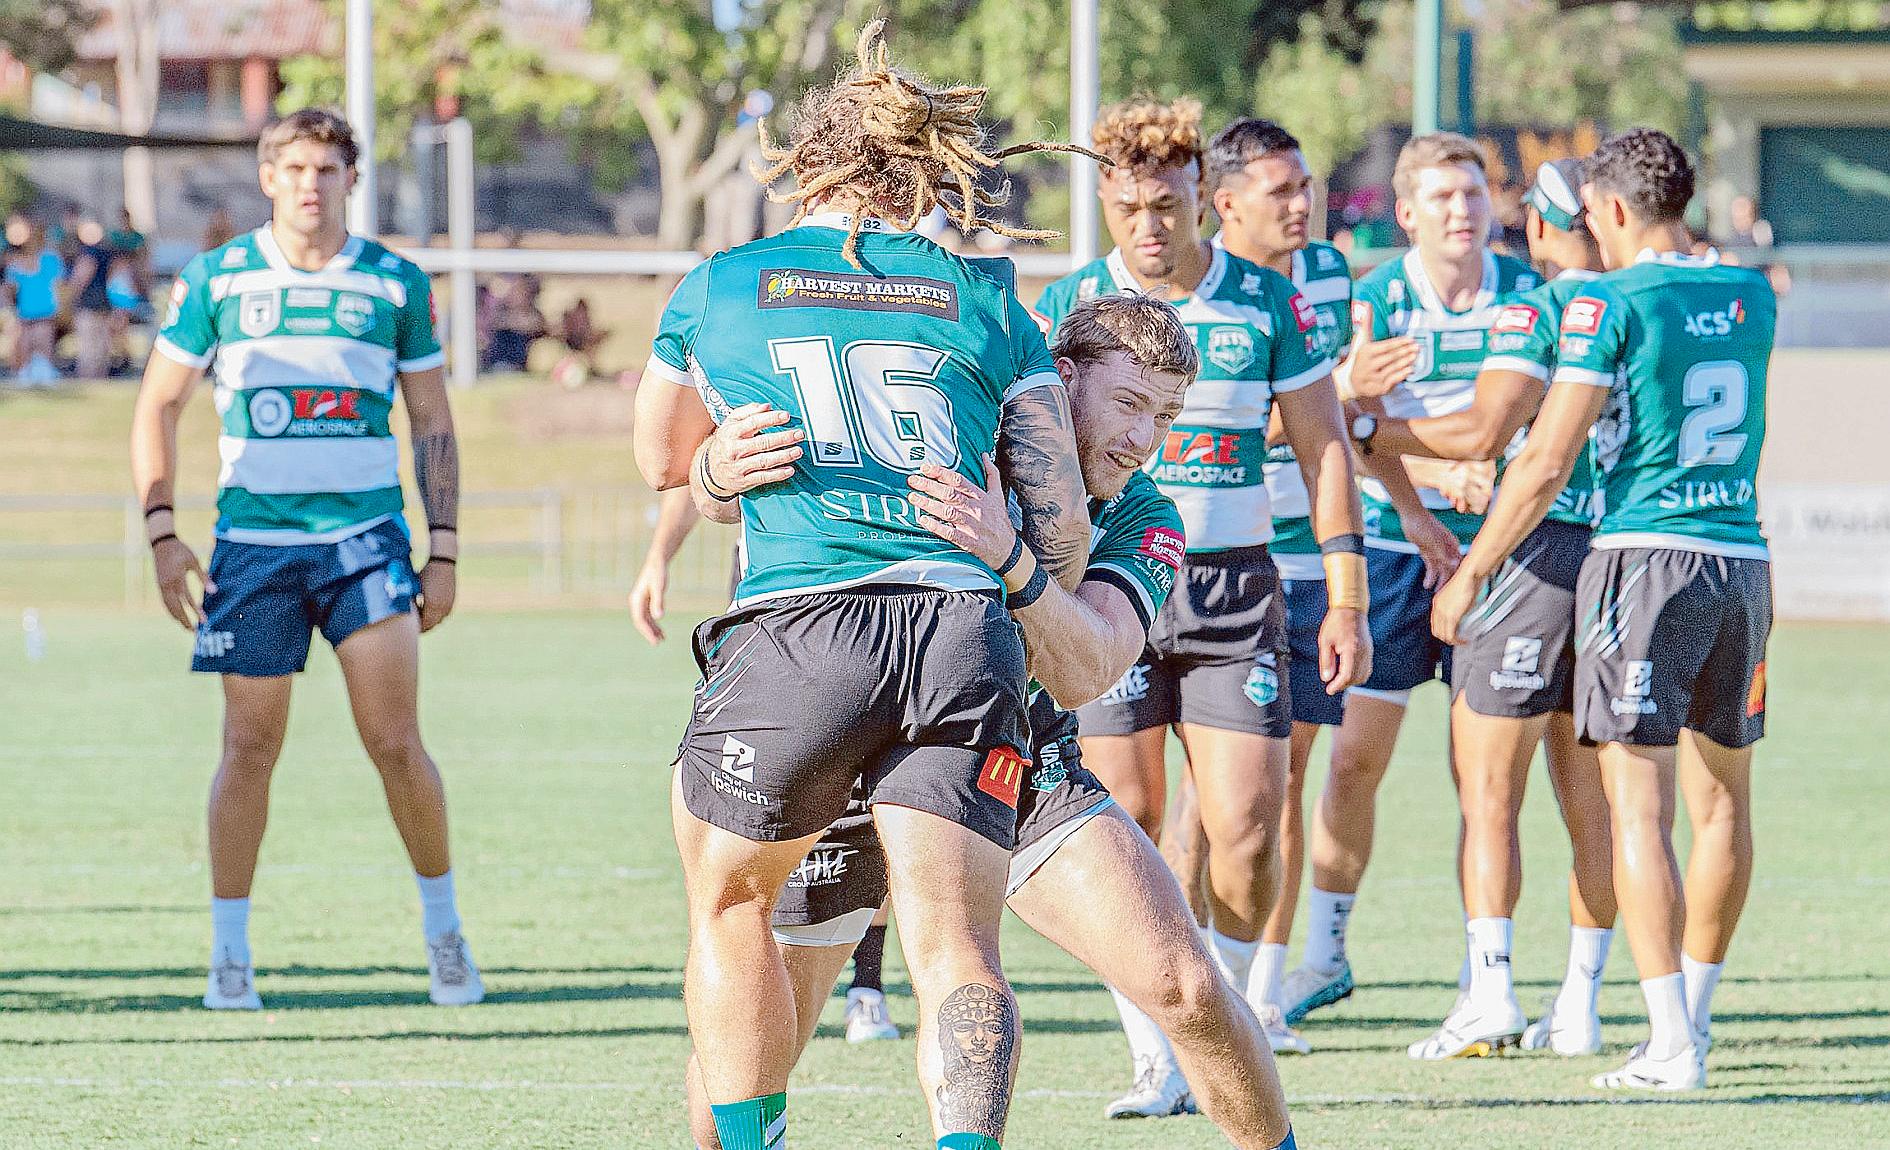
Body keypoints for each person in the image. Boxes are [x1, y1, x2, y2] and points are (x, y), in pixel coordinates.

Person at [684, 293, 1302, 1150]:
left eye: (1164, 417)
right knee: (749, 1051)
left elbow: (1086, 668)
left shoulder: (1144, 514)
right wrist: (713, 471)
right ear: (1062, 378)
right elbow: (749, 479)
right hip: (846, 759)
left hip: (1020, 765)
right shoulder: (950, 440)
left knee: (1188, 988)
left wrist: (1009, 558)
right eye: (1128, 404)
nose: (1142, 438)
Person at [632, 23, 1096, 1149]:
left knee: (733, 901)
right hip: (963, 628)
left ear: (810, 163)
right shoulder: (985, 296)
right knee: (955, 942)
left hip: (804, 628)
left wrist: (712, 471)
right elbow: (1065, 517)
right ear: (924, 172)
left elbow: (661, 459)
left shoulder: (721, 284)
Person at [1034, 97, 1371, 1105]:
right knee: (1126, 815)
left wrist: (1348, 595)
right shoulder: (1070, 304)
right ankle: (1157, 1048)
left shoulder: (1267, 300)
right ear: (1105, 201)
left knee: (1249, 825)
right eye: (1128, 207)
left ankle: (1231, 1006)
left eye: (1167, 206)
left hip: (1233, 588)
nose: (1148, 227)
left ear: (1203, 199)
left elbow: (1325, 450)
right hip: (1108, 585)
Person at [1432, 127, 1774, 1092]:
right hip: (1744, 561)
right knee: (1724, 805)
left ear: (1615, 210)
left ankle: (1669, 1044)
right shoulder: (1751, 292)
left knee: (1639, 809)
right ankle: (1690, 1018)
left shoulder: (1606, 302)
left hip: (1644, 560)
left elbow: (1544, 460)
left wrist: (1471, 573)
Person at [129, 108, 480, 1012]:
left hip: (365, 543)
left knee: (395, 742)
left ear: (352, 179)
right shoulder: (217, 278)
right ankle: (230, 953)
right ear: (267, 178)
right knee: (248, 748)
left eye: (327, 168)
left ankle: (445, 932)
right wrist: (163, 532)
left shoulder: (395, 282)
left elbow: (433, 422)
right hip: (252, 549)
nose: (310, 184)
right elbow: (158, 404)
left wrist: (444, 549)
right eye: (293, 168)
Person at [1353, 158, 1619, 1059]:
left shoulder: (1536, 309)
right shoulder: (1652, 302)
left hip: (1539, 556)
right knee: (1596, 796)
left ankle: (1492, 993)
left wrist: (1362, 427)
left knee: (1489, 790)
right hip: (1626, 560)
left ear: (1538, 227)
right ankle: (1582, 1004)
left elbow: (1484, 433)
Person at [1282, 133, 1540, 1028]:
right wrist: (1425, 495)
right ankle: (1325, 954)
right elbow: (1346, 425)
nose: (1461, 211)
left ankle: (1485, 974)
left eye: (1473, 193)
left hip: (1500, 558)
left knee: (1485, 781)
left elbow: (1542, 424)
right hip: (1394, 553)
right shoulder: (1382, 298)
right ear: (1407, 213)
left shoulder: (1527, 295)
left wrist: (1487, 480)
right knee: (1354, 761)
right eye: (1441, 197)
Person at [1185, 117, 1365, 1034]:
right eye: (1281, 191)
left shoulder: (1327, 274)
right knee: (1197, 798)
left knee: (1277, 788)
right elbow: (1209, 424)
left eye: (1307, 187)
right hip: (1226, 560)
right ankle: (1185, 990)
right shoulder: (1197, 289)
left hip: (1310, 561)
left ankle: (1262, 988)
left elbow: (1336, 433)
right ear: (1226, 204)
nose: (1302, 205)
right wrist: (1317, 403)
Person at [4, 219, 66, 382]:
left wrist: (61, 309)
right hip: (24, 314)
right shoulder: (14, 263)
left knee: (43, 345)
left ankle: (45, 375)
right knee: (23, 347)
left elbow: (59, 286)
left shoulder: (51, 259)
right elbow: (9, 290)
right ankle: (24, 376)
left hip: (46, 313)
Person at [70, 219, 116, 379]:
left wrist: (71, 297)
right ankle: (100, 377)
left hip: (88, 305)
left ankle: (88, 378)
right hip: (104, 304)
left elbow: (81, 278)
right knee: (102, 347)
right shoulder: (107, 253)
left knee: (88, 347)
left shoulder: (87, 254)